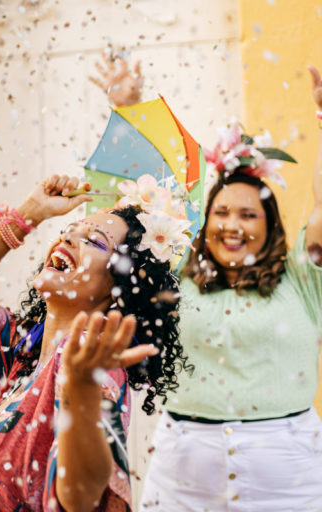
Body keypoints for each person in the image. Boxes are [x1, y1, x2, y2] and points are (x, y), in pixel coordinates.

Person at [94, 52, 322, 509]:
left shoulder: (303, 276)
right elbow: (133, 207)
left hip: (289, 476)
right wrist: (129, 111)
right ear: (206, 221)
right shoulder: (176, 272)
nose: (232, 225)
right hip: (182, 477)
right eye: (221, 212)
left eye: (248, 215)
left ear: (270, 225)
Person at [0, 173, 190, 511]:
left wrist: (80, 395)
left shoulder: (91, 364)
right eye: (70, 230)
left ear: (118, 288)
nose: (67, 239)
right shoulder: (25, 351)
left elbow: (81, 498)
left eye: (94, 242)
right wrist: (30, 212)